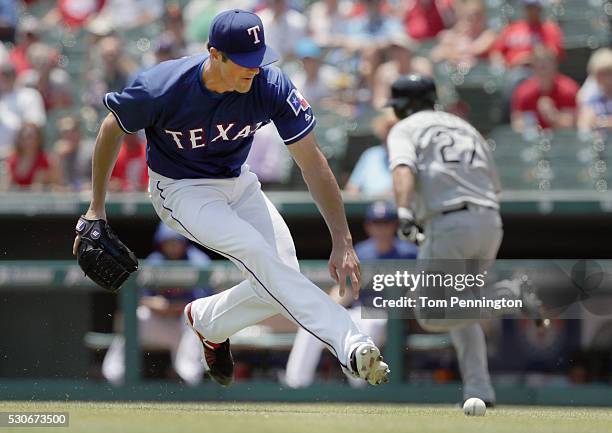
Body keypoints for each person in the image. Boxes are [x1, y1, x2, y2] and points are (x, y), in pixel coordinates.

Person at [72, 9, 390, 388]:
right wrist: (96, 207)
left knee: (280, 277)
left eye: (259, 60)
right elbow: (111, 129)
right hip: (180, 189)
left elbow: (313, 164)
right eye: (244, 62)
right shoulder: (163, 85)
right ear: (214, 54)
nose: (253, 69)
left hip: (239, 183)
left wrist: (343, 238)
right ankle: (351, 342)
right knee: (257, 253)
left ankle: (209, 321)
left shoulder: (268, 84)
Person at [386, 74, 502, 405]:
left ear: (406, 106)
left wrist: (405, 211)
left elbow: (403, 169)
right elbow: (495, 185)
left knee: (431, 312)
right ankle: (480, 390)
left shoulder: (406, 128)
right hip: (489, 220)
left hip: (449, 222)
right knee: (460, 311)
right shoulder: (464, 127)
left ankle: (505, 298)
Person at [285, 201, 417, 388]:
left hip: (388, 317)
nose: (381, 229)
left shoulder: (409, 253)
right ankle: (295, 385)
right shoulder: (360, 252)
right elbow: (344, 291)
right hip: (358, 312)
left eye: (385, 223)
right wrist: (325, 312)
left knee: (368, 327)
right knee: (312, 327)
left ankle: (360, 390)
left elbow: (418, 291)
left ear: (394, 225)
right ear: (368, 226)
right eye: (376, 223)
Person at [102, 222, 213, 386]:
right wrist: (158, 305)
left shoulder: (199, 262)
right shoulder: (155, 262)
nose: (173, 246)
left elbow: (205, 305)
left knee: (195, 322)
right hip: (160, 322)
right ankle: (114, 376)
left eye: (176, 242)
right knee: (137, 318)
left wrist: (169, 307)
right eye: (169, 242)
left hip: (186, 325)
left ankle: (188, 381)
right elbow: (139, 298)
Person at [511, 46, 578, 133]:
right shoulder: (524, 92)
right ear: (534, 68)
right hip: (534, 142)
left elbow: (574, 124)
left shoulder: (568, 89)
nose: (544, 71)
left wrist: (553, 116)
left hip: (564, 141)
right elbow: (517, 122)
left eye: (547, 66)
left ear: (555, 66)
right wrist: (530, 127)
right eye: (540, 67)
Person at [577, 48, 612, 134]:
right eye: (601, 74)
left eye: (609, 72)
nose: (607, 78)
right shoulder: (591, 97)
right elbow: (584, 125)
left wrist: (600, 122)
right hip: (600, 144)